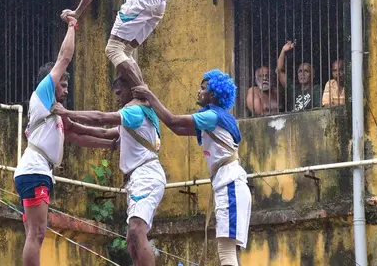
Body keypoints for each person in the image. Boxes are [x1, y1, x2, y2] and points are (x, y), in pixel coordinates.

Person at [14, 18, 118, 266]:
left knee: (36, 233)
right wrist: (72, 25)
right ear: (50, 85)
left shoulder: (54, 115)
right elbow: (64, 57)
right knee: (37, 234)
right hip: (34, 172)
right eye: (63, 85)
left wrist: (112, 142)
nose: (66, 90)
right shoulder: (42, 94)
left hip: (39, 174)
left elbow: (80, 135)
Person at [133, 70, 251, 266]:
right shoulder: (216, 117)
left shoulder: (212, 116)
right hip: (231, 185)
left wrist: (149, 95)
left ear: (213, 94)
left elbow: (172, 120)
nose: (198, 91)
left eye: (203, 88)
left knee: (227, 251)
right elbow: (177, 129)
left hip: (230, 185)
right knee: (230, 251)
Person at [59, 76, 166, 266]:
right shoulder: (132, 116)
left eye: (119, 93)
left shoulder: (133, 111)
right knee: (132, 241)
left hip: (145, 175)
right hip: (139, 177)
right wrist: (74, 128)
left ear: (130, 90)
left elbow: (100, 118)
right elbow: (105, 133)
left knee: (136, 230)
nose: (117, 98)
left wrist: (67, 112)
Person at [276, 41, 322, 111]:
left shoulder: (316, 89)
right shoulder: (293, 90)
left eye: (306, 71)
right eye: (300, 71)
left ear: (313, 75)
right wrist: (283, 51)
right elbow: (279, 70)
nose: (302, 74)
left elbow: (318, 109)